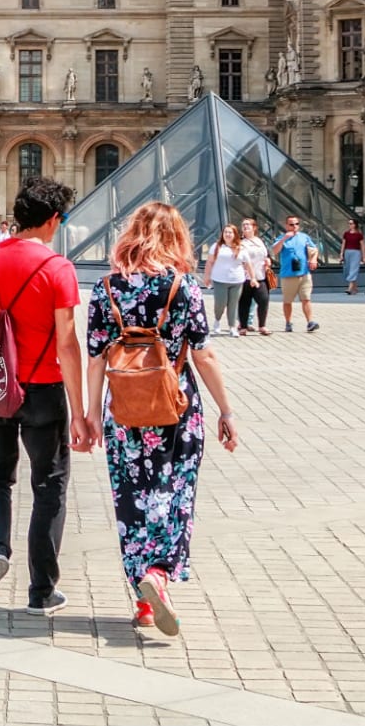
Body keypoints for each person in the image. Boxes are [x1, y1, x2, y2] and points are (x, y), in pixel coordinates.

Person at [82, 201, 241, 635]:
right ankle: (160, 574)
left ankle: (145, 600)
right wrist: (226, 410)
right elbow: (204, 355)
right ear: (176, 238)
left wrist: (91, 414)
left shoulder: (106, 288)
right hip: (176, 407)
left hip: (126, 409)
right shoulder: (183, 287)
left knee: (131, 499)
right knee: (173, 494)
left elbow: (95, 359)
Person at [0, 178, 86, 620]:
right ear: (52, 219)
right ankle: (42, 590)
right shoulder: (57, 268)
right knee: (48, 485)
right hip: (44, 389)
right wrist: (81, 410)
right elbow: (67, 345)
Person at [267, 214, 321, 333]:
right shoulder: (281, 238)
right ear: (286, 225)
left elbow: (314, 249)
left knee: (306, 299)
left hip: (304, 274)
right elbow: (275, 250)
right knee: (288, 301)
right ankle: (288, 322)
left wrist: (313, 259)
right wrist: (284, 239)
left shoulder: (304, 237)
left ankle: (310, 322)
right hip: (288, 275)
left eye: (297, 224)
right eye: (291, 224)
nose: (294, 226)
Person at [200, 223, 246, 336]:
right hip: (220, 280)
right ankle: (217, 320)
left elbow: (246, 263)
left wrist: (252, 276)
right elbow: (209, 262)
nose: (228, 234)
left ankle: (232, 327)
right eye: (226, 232)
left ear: (235, 234)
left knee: (233, 304)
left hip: (237, 280)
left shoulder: (240, 247)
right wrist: (207, 276)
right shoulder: (216, 246)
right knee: (220, 303)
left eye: (230, 232)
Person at [234, 218, 270, 335]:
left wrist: (268, 261)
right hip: (245, 277)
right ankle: (243, 327)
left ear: (254, 227)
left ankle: (262, 326)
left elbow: (266, 255)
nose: (245, 227)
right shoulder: (239, 242)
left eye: (248, 225)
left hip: (260, 276)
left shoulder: (260, 241)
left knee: (263, 300)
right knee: (244, 302)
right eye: (243, 225)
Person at [341, 218, 364, 296]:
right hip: (347, 252)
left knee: (353, 269)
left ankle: (349, 288)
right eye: (349, 223)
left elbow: (362, 246)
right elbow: (343, 244)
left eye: (351, 223)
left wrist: (363, 256)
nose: (349, 225)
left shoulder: (359, 235)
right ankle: (355, 288)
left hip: (356, 252)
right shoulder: (346, 234)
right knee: (347, 270)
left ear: (355, 225)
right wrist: (341, 254)